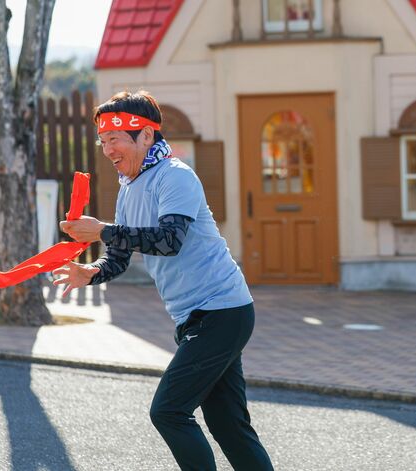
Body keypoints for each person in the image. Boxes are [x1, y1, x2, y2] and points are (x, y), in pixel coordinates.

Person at [53, 90, 274, 471]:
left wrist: (103, 230)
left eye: (115, 139)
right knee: (228, 424)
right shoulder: (128, 189)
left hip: (222, 311)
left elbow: (169, 240)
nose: (107, 150)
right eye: (103, 141)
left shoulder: (175, 176)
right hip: (200, 316)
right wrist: (91, 272)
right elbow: (118, 258)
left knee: (169, 411)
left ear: (146, 136)